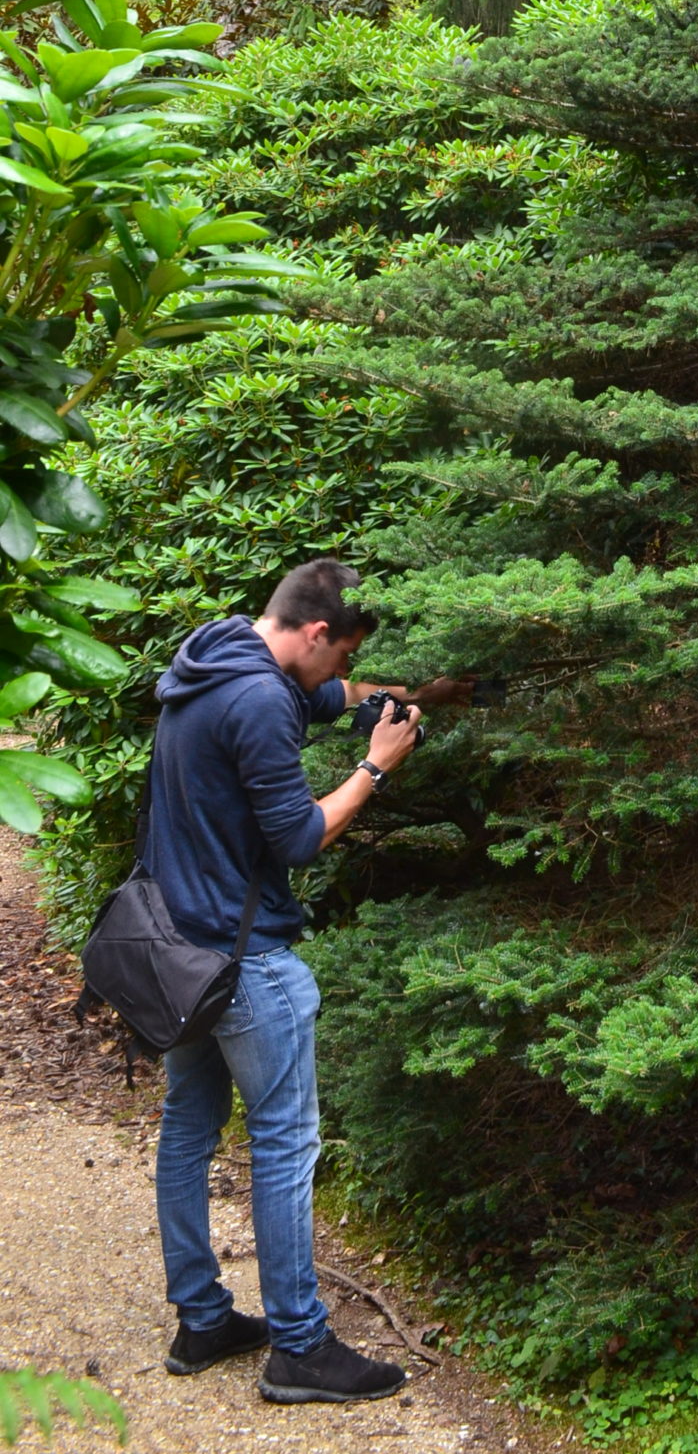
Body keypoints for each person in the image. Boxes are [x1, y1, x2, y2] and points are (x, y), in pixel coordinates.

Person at [145, 556, 470, 1406]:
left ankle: (203, 1318)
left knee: (188, 1125)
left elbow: (320, 693)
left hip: (178, 949)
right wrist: (376, 765)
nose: (335, 674)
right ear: (316, 632)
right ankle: (299, 1345)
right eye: (340, 655)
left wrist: (408, 695)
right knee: (284, 1144)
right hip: (244, 963)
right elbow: (294, 838)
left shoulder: (218, 654)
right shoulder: (258, 698)